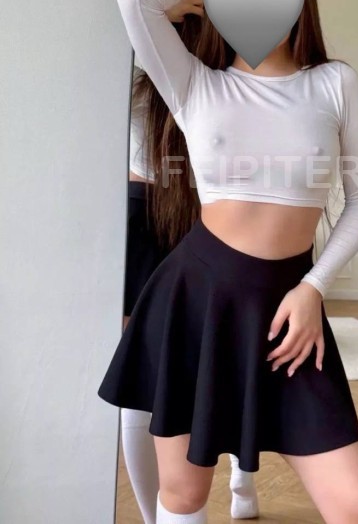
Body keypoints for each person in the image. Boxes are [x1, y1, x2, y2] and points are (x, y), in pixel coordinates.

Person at [98, 0, 358, 524]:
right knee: (183, 495)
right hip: (194, 301)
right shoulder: (194, 83)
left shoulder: (334, 84)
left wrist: (314, 287)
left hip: (292, 312)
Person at [120, 66, 259, 522]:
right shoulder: (139, 71)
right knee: (147, 378)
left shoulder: (229, 77)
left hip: (218, 218)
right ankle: (160, 515)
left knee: (232, 360)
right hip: (146, 215)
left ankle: (243, 477)